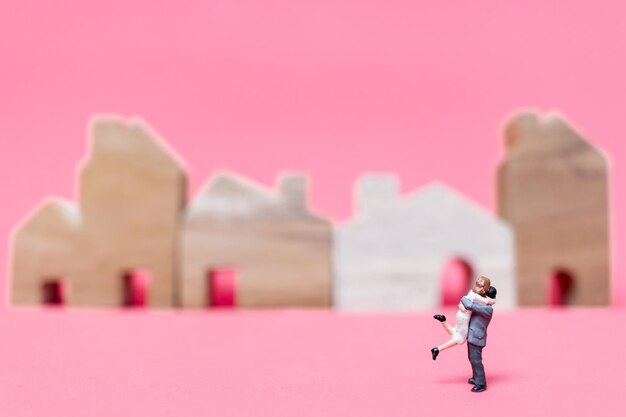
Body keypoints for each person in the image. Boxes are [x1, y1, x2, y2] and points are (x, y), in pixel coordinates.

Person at [431, 276, 494, 361]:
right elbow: (490, 302)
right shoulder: (477, 297)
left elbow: (463, 301)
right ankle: (438, 349)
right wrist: (493, 298)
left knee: (455, 331)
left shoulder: (471, 292)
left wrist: (460, 305)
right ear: (484, 289)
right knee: (459, 340)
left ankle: (443, 321)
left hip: (459, 314)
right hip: (465, 317)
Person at [462, 285, 496, 393]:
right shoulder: (483, 305)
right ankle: (476, 377)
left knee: (476, 360)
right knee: (472, 359)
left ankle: (481, 382)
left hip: (477, 337)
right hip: (472, 335)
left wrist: (465, 297)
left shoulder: (487, 308)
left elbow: (468, 304)